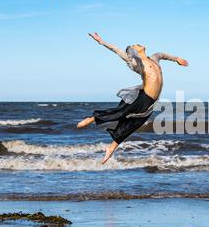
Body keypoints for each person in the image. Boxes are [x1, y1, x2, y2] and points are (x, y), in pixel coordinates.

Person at [77, 32, 189, 164]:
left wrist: (176, 59)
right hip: (144, 97)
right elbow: (117, 50)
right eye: (135, 45)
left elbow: (163, 55)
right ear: (135, 51)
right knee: (121, 113)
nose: (137, 44)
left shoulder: (154, 57)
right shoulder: (137, 63)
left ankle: (111, 147)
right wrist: (102, 42)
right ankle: (93, 118)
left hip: (152, 101)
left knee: (136, 123)